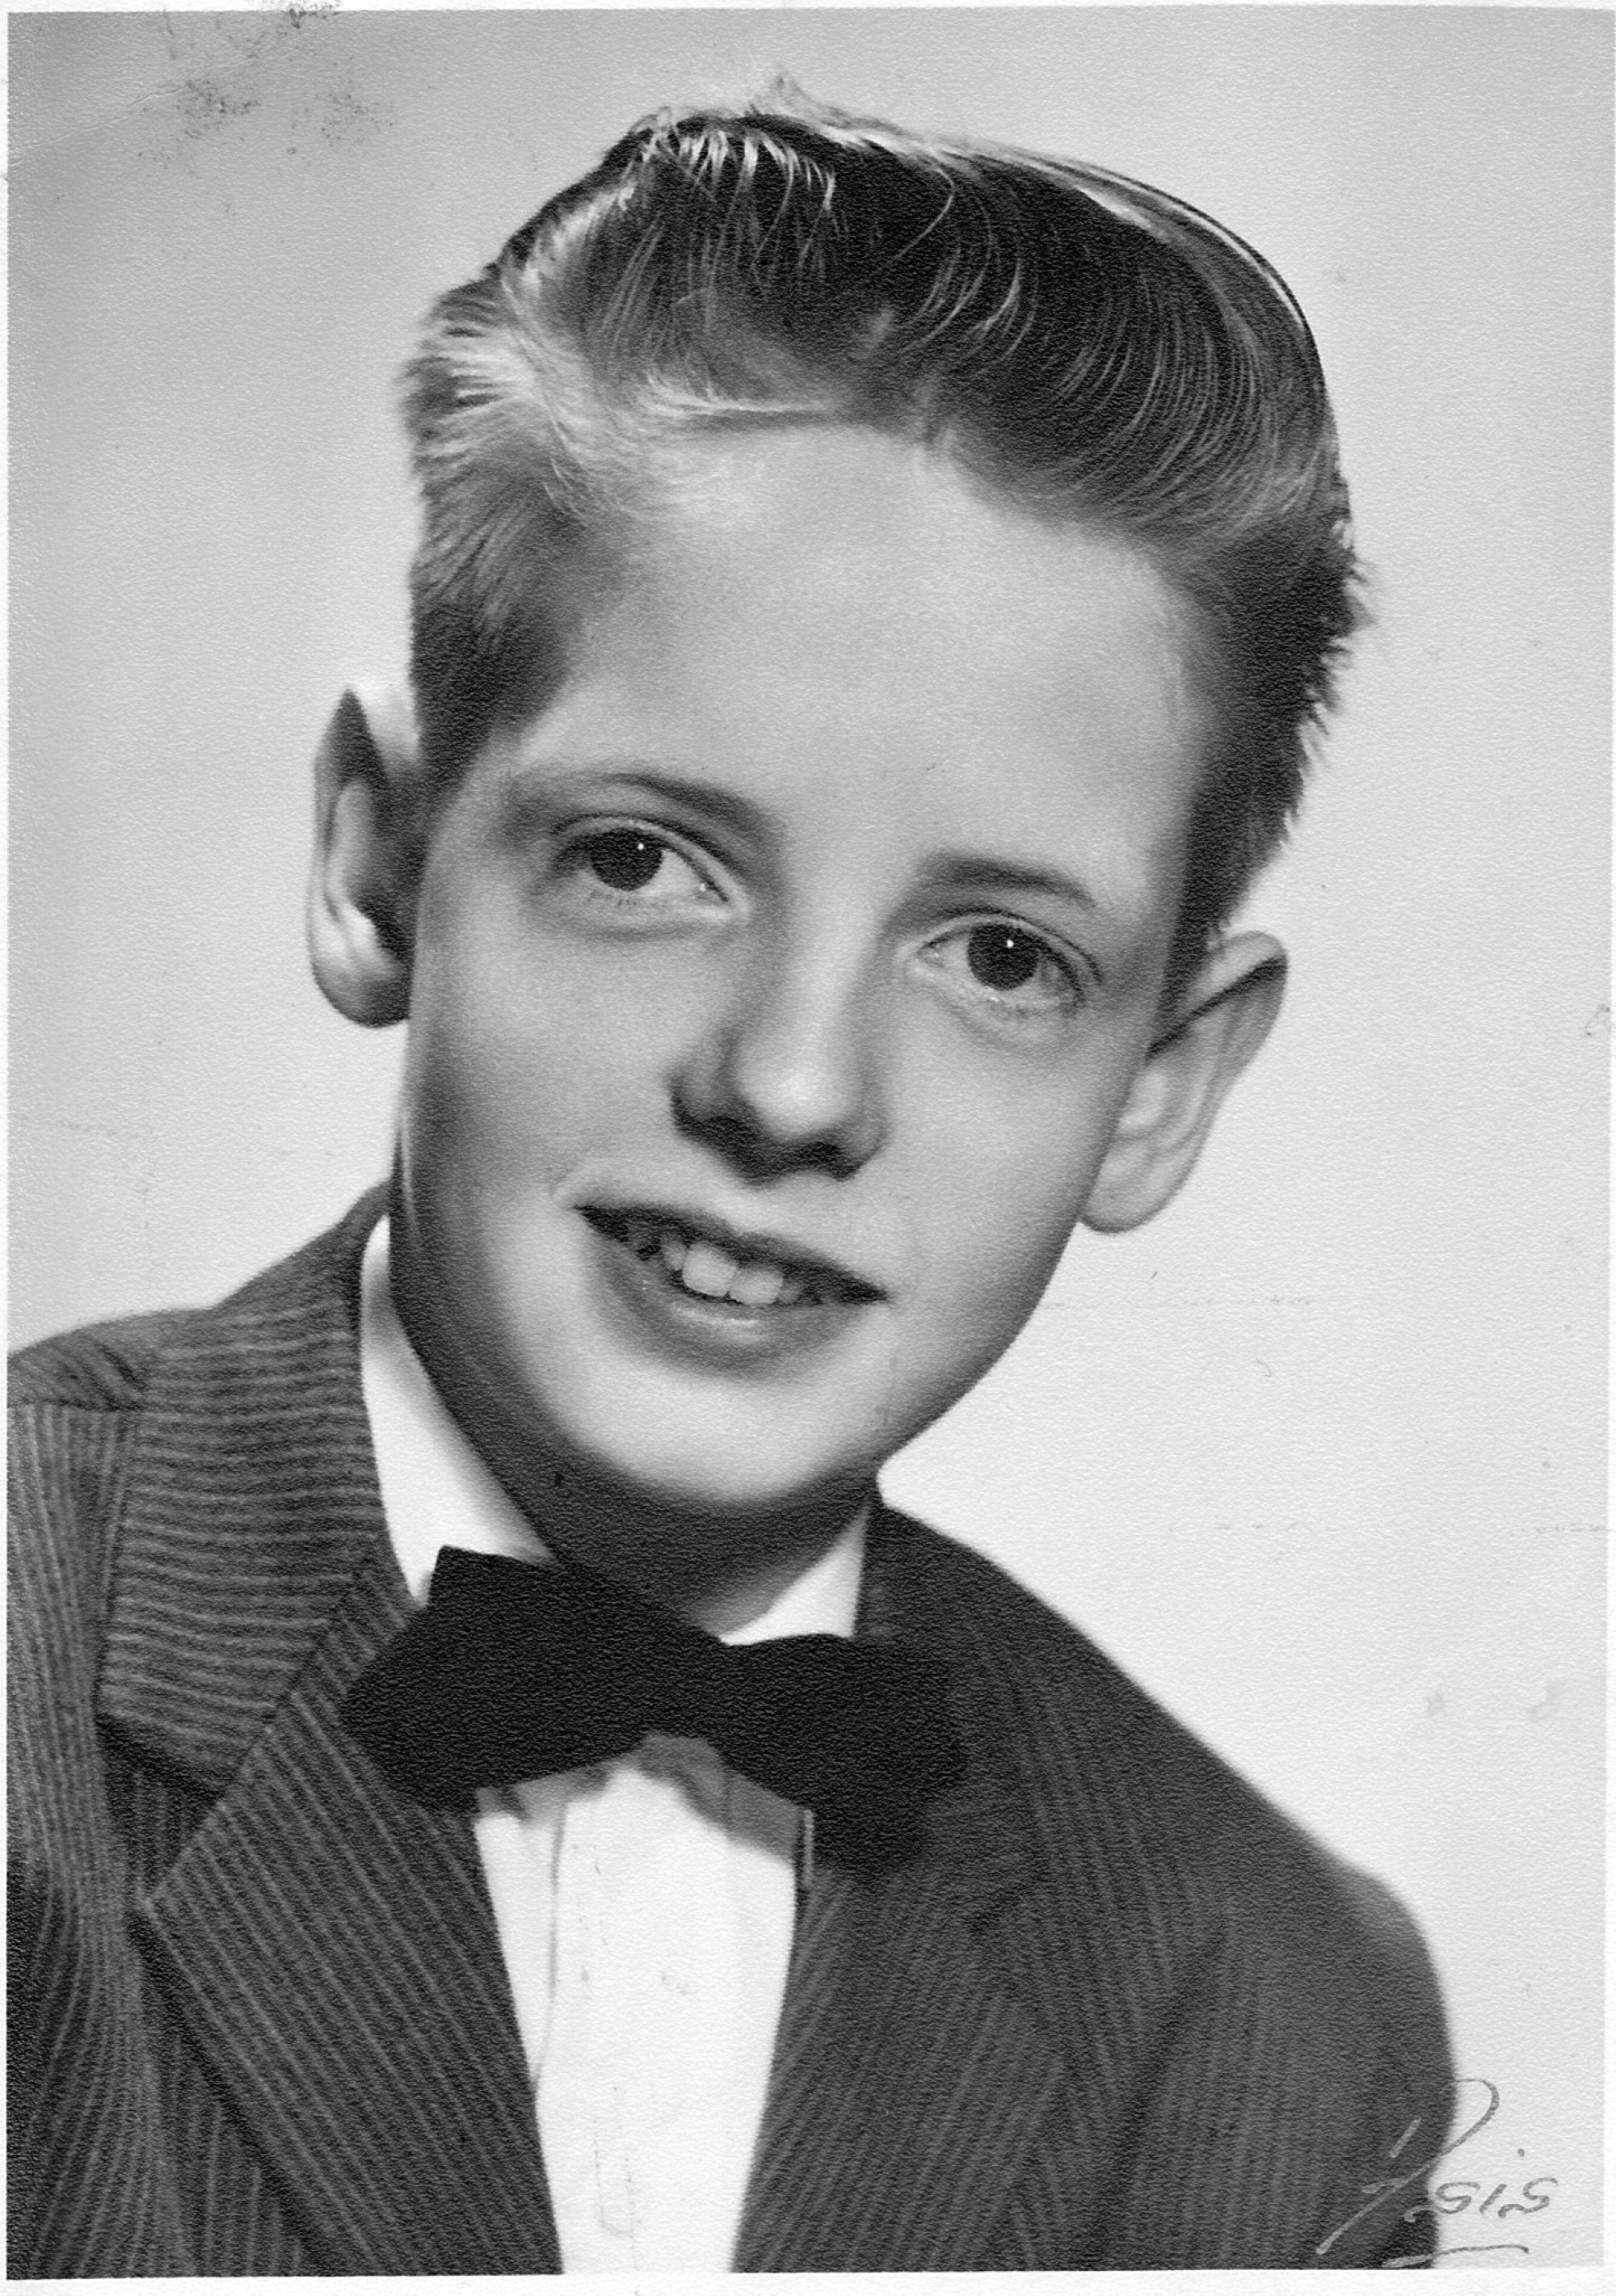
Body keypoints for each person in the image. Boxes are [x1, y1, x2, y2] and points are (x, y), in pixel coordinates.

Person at [9, 92, 1452, 2274]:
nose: (789, 1085)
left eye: (1001, 958)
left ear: (1162, 1084)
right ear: (379, 857)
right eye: (642, 859)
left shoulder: (1275, 2001)